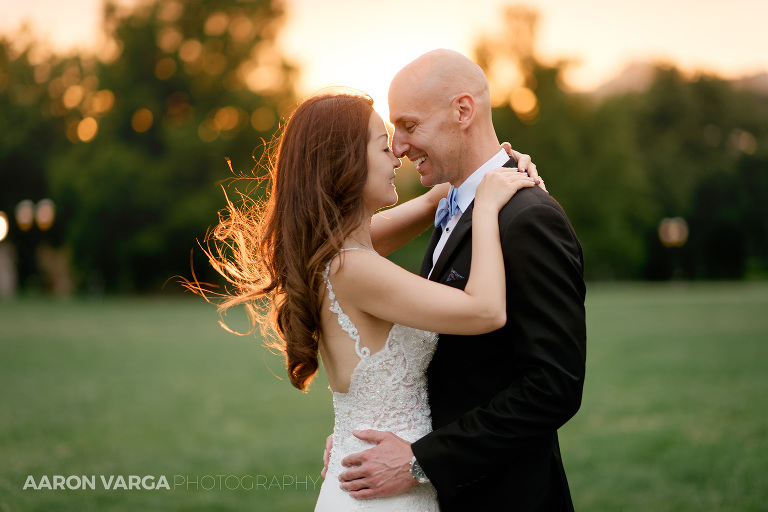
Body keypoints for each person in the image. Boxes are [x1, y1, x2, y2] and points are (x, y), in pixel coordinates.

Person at [187, 90, 542, 511]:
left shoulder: (327, 251)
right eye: (383, 144)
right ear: (346, 165)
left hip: (372, 473)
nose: (398, 155)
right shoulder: (353, 269)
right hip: (385, 497)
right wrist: (486, 209)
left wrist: (499, 162)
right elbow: (485, 310)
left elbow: (438, 198)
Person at [332, 50, 587, 511]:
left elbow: (553, 387)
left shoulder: (527, 218)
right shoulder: (452, 205)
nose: (401, 147)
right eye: (392, 134)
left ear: (463, 111)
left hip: (508, 498)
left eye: (409, 126)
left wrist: (420, 460)